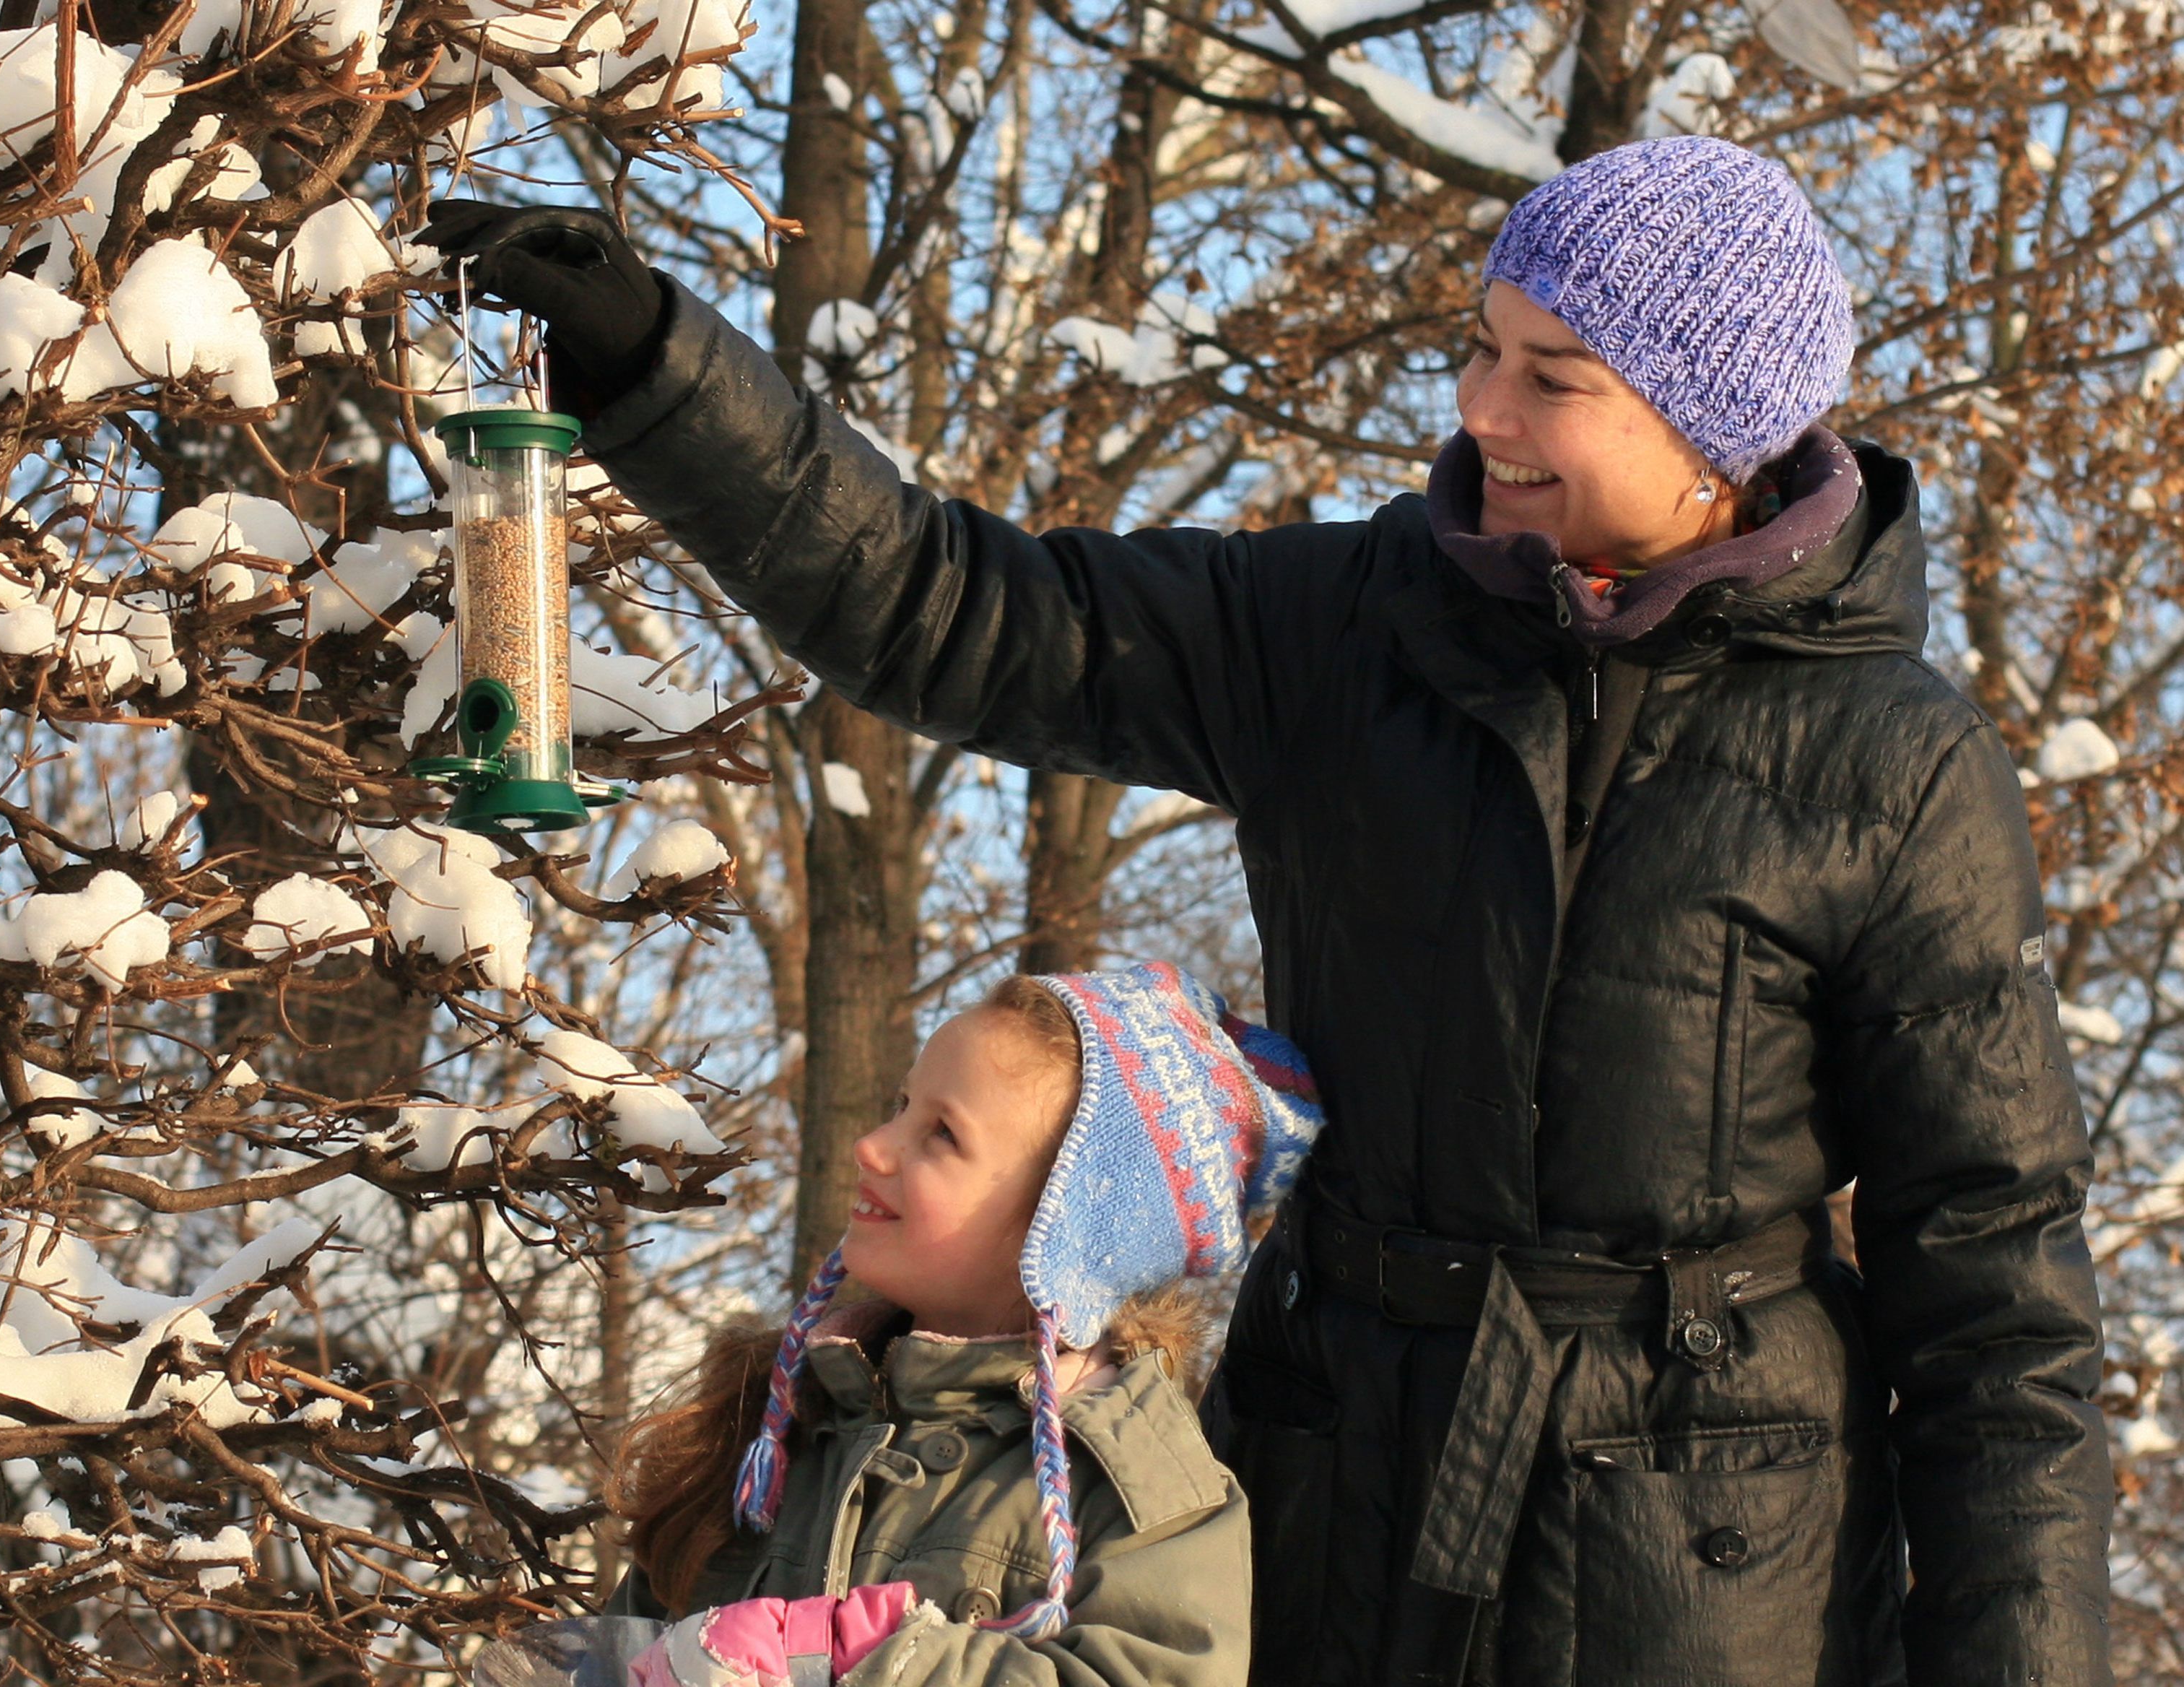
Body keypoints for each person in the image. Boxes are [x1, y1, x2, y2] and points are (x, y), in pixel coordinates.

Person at [420, 133, 2113, 1685]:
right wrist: (652, 363)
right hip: (1334, 1493)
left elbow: (1997, 1293)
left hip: (1718, 1569)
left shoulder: (1897, 764)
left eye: (1554, 378)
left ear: (1713, 440)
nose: (1486, 413)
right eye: (1483, 349)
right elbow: (954, 605)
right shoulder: (1344, 631)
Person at [604, 964, 1321, 1687]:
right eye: (902, 1105)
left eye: (941, 1133)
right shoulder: (781, 1424)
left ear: (1065, 1227)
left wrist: (880, 1660)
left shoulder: (1140, 1495)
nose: (873, 1145)